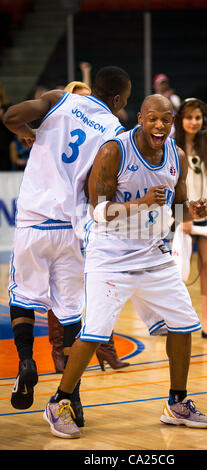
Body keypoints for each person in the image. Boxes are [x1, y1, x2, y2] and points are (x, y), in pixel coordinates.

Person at [43, 94, 207, 439]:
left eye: (165, 121)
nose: (159, 126)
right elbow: (97, 211)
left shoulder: (176, 156)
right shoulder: (114, 151)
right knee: (94, 333)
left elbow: (176, 209)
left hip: (154, 254)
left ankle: (177, 403)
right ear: (140, 117)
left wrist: (192, 212)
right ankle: (58, 401)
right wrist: (138, 203)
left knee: (184, 324)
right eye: (153, 119)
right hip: (110, 255)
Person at [3, 66, 131, 428]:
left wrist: (27, 133)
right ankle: (70, 396)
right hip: (72, 228)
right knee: (72, 313)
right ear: (118, 99)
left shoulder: (59, 99)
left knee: (24, 296)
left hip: (33, 220)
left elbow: (10, 116)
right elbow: (100, 191)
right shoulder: (115, 134)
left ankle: (27, 360)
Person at [47, 78, 130, 373]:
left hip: (92, 218)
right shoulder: (59, 134)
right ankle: (60, 352)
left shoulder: (106, 134)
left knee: (102, 285)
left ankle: (104, 348)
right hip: (61, 217)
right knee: (63, 289)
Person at [173, 98, 207, 339]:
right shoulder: (170, 148)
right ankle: (172, 323)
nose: (194, 122)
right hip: (180, 217)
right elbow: (169, 186)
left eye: (198, 117)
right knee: (175, 271)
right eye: (189, 117)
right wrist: (179, 217)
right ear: (180, 119)